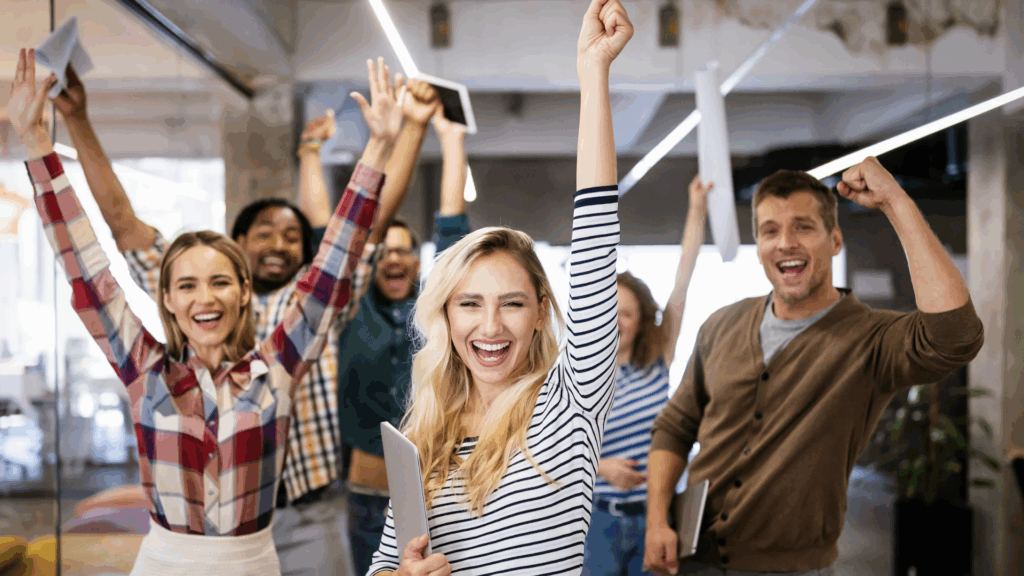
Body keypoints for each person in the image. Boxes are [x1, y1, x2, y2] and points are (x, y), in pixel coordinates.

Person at [9, 48, 404, 575]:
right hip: (165, 561)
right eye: (187, 285)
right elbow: (87, 272)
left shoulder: (276, 369)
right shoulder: (146, 372)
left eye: (220, 282)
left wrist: (378, 149)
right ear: (167, 298)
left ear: (243, 291)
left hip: (255, 560)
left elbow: (332, 270)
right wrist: (36, 145)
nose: (205, 298)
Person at [366, 1, 632, 574]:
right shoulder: (424, 439)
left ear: (540, 312)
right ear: (446, 316)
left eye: (512, 304)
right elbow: (383, 566)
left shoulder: (568, 406)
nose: (490, 327)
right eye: (470, 305)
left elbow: (595, 240)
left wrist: (593, 77)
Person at [642, 161, 985, 575]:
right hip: (690, 559)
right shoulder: (722, 323)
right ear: (759, 245)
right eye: (770, 230)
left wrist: (895, 202)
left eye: (803, 227)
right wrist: (657, 521)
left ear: (835, 239)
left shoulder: (870, 338)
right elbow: (675, 426)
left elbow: (955, 336)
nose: (785, 242)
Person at [339, 99, 472, 576]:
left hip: (438, 496)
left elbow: (453, 231)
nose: (394, 258)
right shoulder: (351, 312)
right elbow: (361, 236)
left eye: (405, 250)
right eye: (385, 251)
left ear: (417, 261)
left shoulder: (435, 310)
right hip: (368, 497)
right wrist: (409, 132)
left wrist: (451, 139)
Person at [583, 175, 711, 576]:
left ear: (640, 322)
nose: (615, 320)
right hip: (596, 522)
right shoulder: (577, 375)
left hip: (652, 518)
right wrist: (601, 467)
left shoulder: (656, 362)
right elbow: (547, 449)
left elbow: (682, 284)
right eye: (609, 310)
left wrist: (696, 211)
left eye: (626, 313)